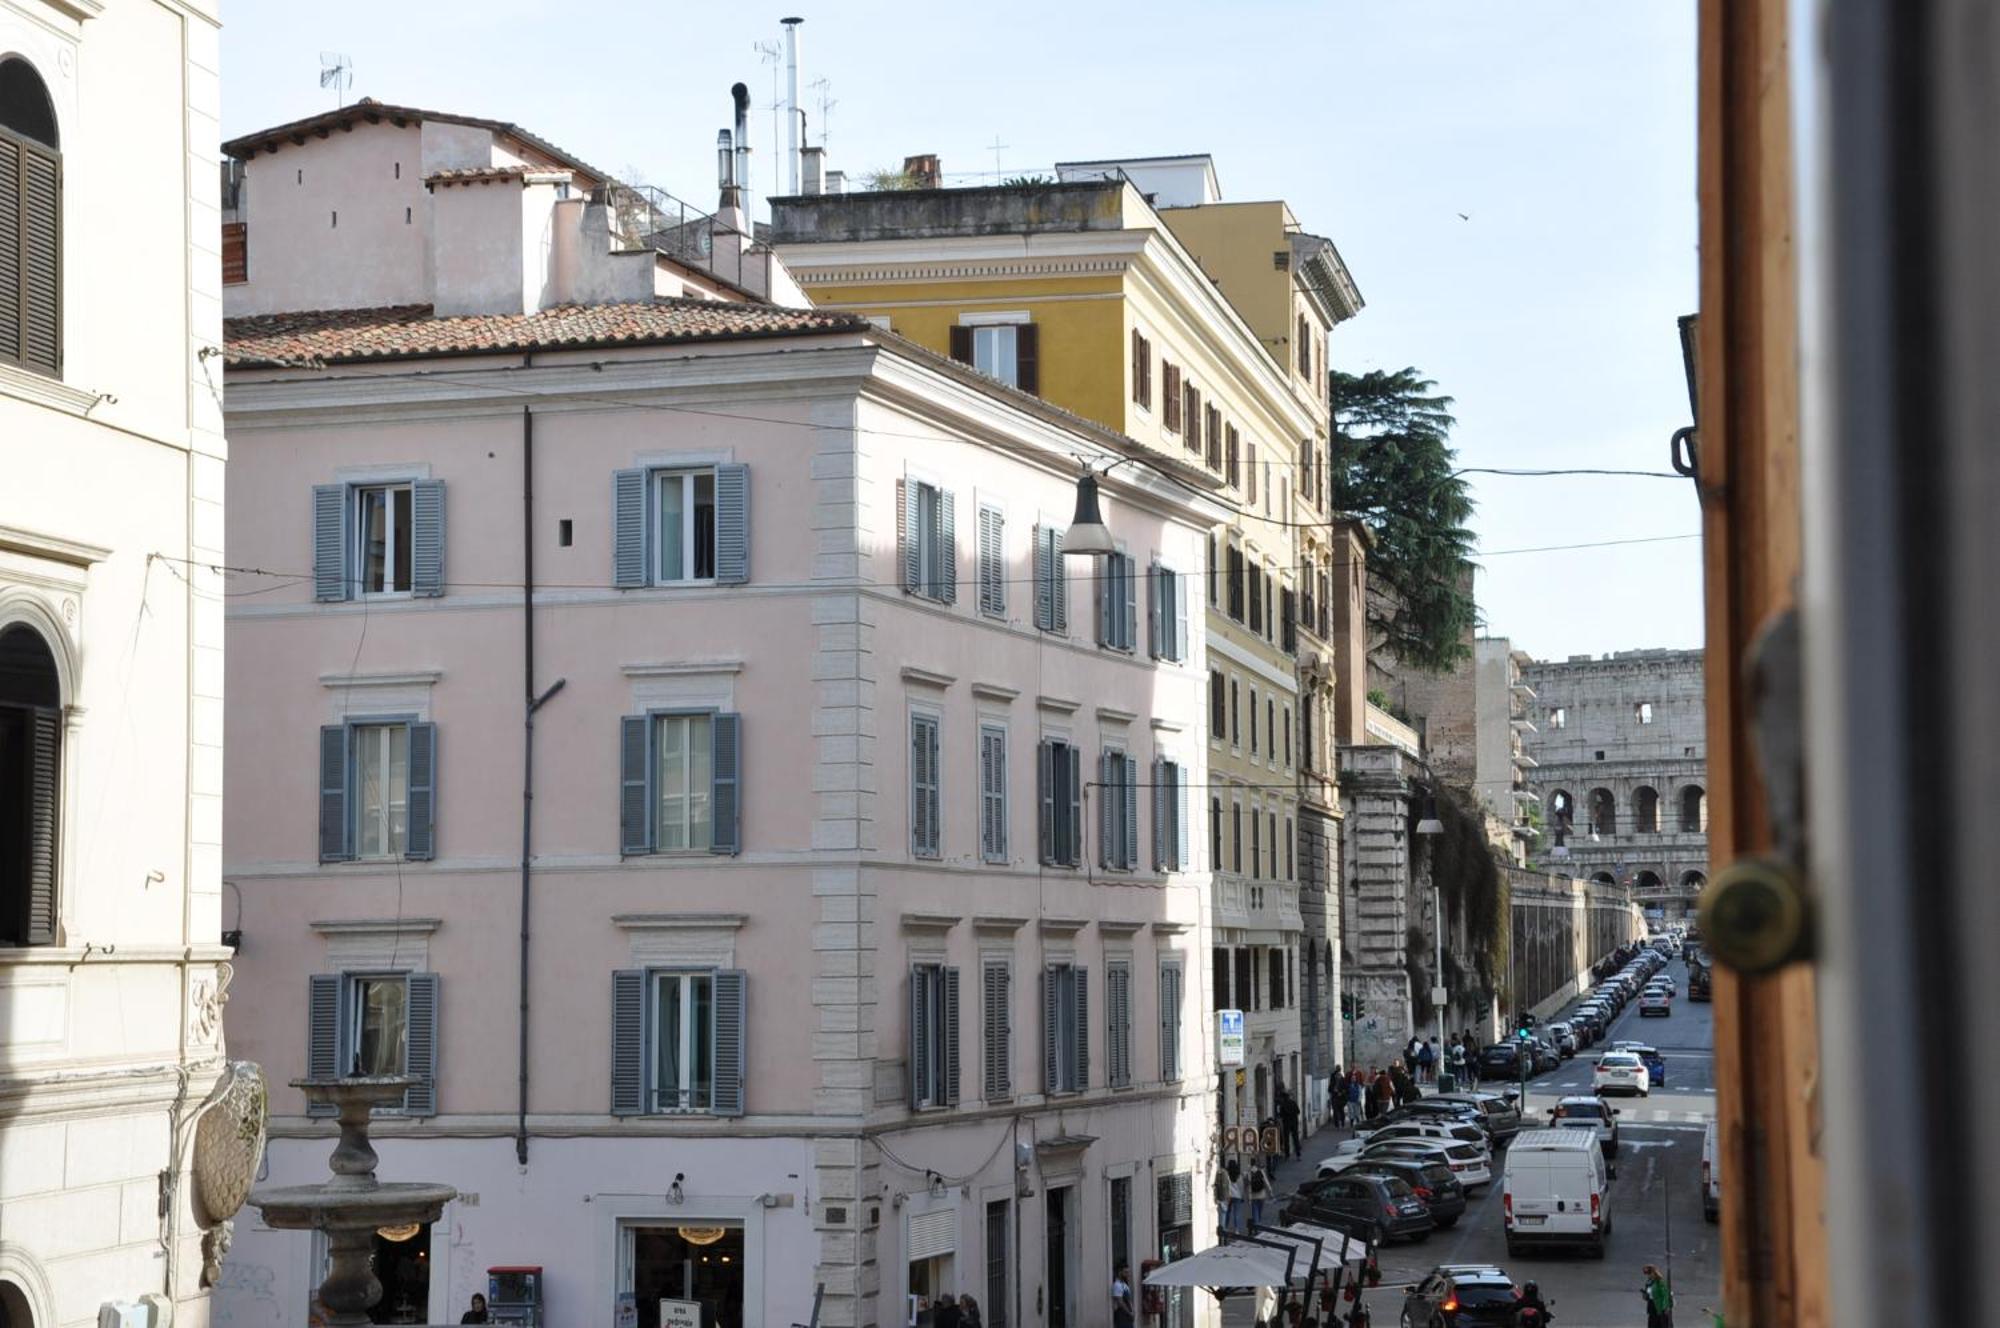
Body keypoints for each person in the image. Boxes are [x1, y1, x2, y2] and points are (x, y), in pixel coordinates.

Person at [1278, 1086, 1303, 1158]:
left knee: (1286, 1139)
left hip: (1286, 1123)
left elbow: (1281, 1115)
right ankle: (1298, 1154)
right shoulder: (1293, 1103)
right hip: (1294, 1122)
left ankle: (1287, 1154)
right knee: (1295, 1138)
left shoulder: (1282, 1105)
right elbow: (1298, 1112)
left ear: (1283, 1098)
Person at [1246, 1158, 1271, 1228]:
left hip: (1253, 1195)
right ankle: (1258, 1224)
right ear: (1256, 1163)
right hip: (1262, 1195)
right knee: (1260, 1211)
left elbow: (1248, 1186)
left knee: (1255, 1212)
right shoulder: (1261, 1171)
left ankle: (1257, 1225)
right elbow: (1266, 1182)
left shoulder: (1248, 1173)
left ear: (1250, 1164)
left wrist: (1248, 1197)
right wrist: (1270, 1191)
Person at [1112, 1264, 1136, 1328]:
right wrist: (1129, 1313)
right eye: (1125, 1272)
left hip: (1128, 1315)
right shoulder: (1117, 1285)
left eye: (1128, 1272)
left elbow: (1129, 1300)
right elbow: (1120, 1302)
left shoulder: (1125, 1285)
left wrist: (1132, 1310)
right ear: (1120, 1272)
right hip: (1121, 1314)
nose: (1127, 1274)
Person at [1224, 1157, 1244, 1232]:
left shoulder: (1227, 1174)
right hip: (1237, 1196)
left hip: (1229, 1196)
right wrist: (1242, 1196)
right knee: (1237, 1213)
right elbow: (1241, 1186)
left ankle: (1225, 1227)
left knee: (1227, 1212)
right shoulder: (1239, 1175)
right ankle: (1237, 1229)